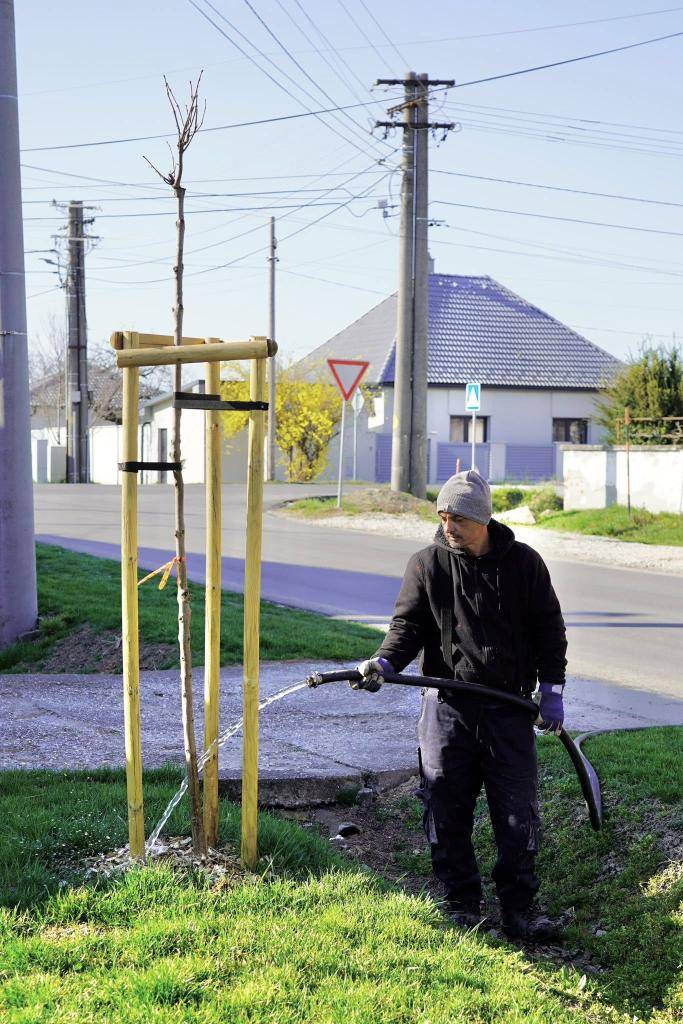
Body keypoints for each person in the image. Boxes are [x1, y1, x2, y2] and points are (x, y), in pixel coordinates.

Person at [354, 470, 567, 942]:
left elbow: (550, 630)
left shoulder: (524, 566)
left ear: (484, 520)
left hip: (508, 709)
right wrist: (385, 663)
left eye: (460, 519)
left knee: (517, 817)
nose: (450, 527)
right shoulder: (427, 565)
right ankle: (460, 902)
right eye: (444, 516)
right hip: (446, 707)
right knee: (445, 808)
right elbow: (406, 627)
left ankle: (519, 911)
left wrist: (551, 689)